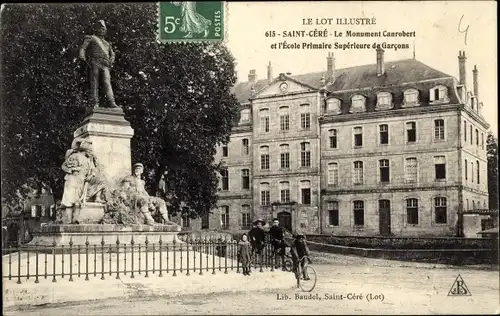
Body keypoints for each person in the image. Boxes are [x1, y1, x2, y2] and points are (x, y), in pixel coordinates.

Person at [79, 20, 118, 108]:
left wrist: (112, 60)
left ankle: (111, 102)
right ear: (96, 29)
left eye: (103, 28)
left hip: (105, 64)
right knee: (94, 82)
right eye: (100, 28)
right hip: (95, 62)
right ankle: (95, 102)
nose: (102, 30)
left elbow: (112, 54)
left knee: (107, 82)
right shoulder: (91, 38)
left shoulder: (107, 44)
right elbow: (83, 48)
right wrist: (82, 54)